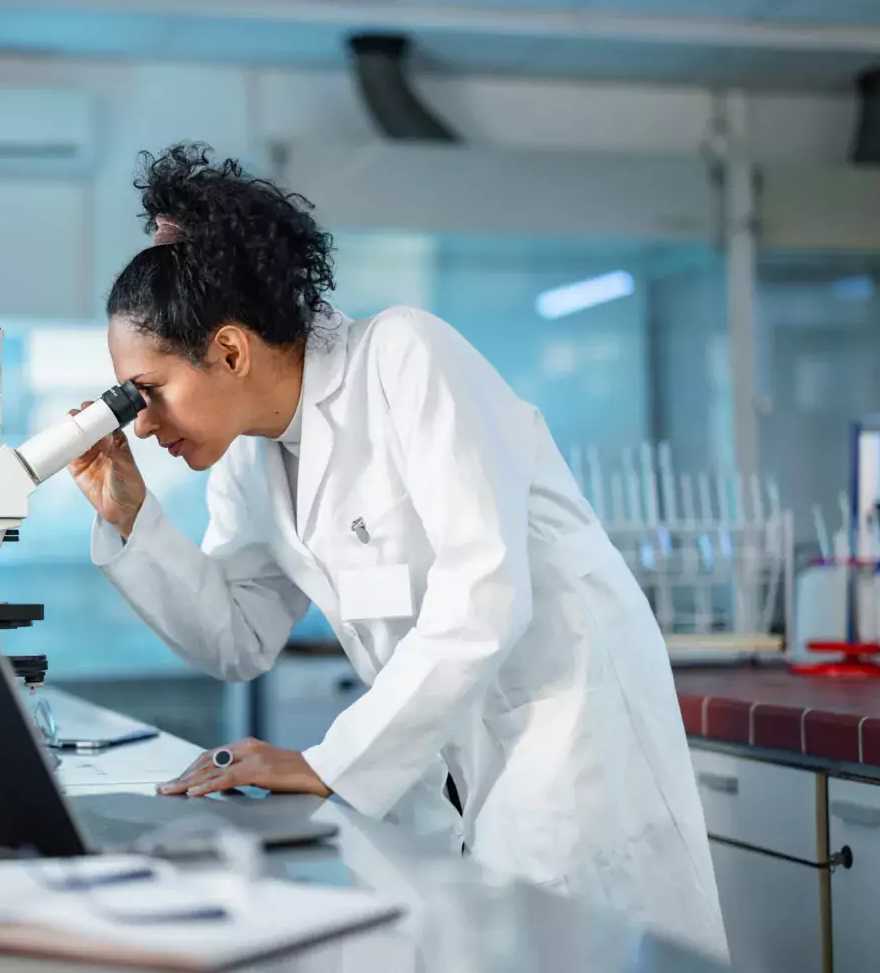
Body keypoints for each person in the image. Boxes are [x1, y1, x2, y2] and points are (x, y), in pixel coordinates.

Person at [67, 143, 727, 959]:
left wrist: (328, 763)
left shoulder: (405, 357)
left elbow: (484, 597)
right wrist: (132, 516)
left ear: (231, 352)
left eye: (151, 390)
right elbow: (238, 638)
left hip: (565, 736)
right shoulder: (251, 453)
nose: (140, 422)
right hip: (443, 763)